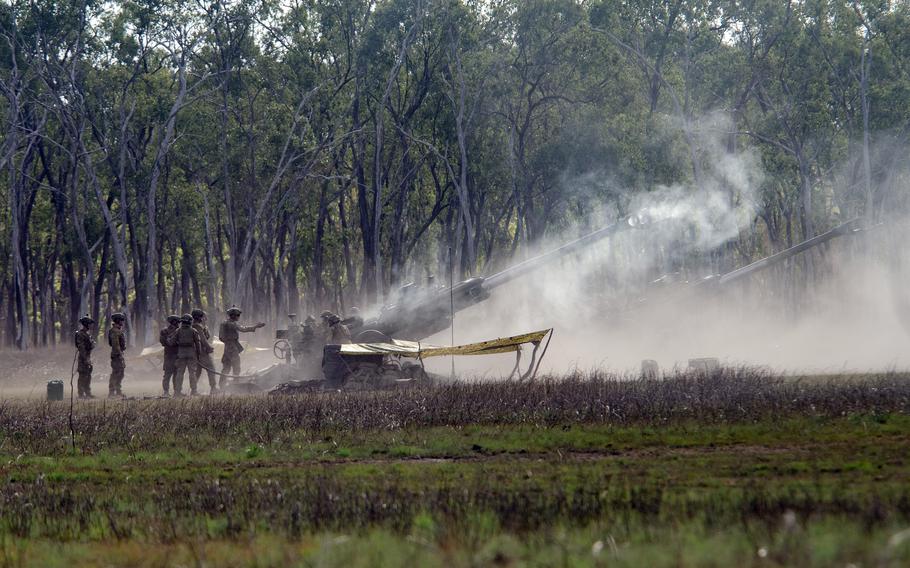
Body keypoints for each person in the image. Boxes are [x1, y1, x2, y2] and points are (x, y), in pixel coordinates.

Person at [218, 306, 265, 388]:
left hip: (227, 348)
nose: (238, 317)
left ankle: (222, 385)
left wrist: (227, 342)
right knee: (236, 367)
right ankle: (235, 385)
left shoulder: (223, 323)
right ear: (233, 316)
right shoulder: (232, 324)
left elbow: (221, 337)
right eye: (238, 315)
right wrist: (256, 326)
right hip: (232, 348)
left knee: (226, 368)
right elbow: (243, 329)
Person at [168, 314, 201, 396]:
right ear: (190, 321)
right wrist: (198, 354)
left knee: (180, 373)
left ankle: (177, 392)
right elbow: (198, 343)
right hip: (191, 354)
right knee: (192, 373)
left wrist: (168, 339)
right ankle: (194, 391)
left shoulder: (178, 331)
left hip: (181, 354)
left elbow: (171, 342)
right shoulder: (193, 331)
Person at [191, 309, 218, 395]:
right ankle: (213, 388)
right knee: (211, 368)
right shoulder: (197, 327)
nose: (205, 318)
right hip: (201, 352)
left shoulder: (197, 326)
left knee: (198, 372)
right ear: (200, 317)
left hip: (196, 353)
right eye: (203, 317)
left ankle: (193, 390)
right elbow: (203, 339)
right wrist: (209, 347)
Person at [74, 315, 96, 399]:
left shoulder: (87, 334)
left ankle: (87, 393)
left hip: (88, 357)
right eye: (90, 324)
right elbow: (81, 348)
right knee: (82, 376)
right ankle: (81, 394)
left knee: (88, 376)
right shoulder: (80, 334)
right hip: (83, 358)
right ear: (86, 324)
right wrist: (86, 359)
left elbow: (91, 345)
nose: (91, 325)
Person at [160, 314, 180, 397]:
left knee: (171, 375)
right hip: (173, 355)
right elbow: (163, 342)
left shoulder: (164, 331)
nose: (179, 324)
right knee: (172, 375)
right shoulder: (177, 331)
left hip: (171, 355)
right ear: (174, 322)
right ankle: (172, 392)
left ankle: (169, 392)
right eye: (178, 322)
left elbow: (162, 342)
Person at [108, 313, 127, 398]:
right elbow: (115, 345)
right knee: (116, 373)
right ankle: (112, 392)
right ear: (118, 321)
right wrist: (120, 355)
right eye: (121, 320)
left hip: (119, 354)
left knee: (120, 373)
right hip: (117, 355)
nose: (122, 322)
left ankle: (118, 391)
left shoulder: (117, 330)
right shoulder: (115, 331)